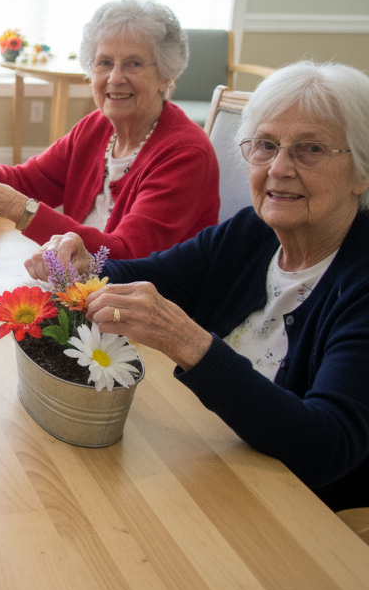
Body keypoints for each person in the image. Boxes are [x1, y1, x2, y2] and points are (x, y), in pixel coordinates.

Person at [26, 61, 369, 512]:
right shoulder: (251, 233)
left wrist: (189, 342)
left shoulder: (359, 284)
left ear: (362, 172)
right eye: (266, 145)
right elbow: (153, 275)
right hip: (206, 463)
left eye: (311, 150)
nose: (280, 168)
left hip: (297, 512)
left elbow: (326, 449)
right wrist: (86, 266)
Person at [0, 0, 218, 258]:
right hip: (79, 286)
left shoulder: (186, 154)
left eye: (133, 64)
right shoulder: (96, 127)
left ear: (166, 75)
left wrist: (19, 208)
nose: (115, 78)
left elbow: (126, 255)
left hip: (140, 302)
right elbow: (28, 182)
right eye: (105, 63)